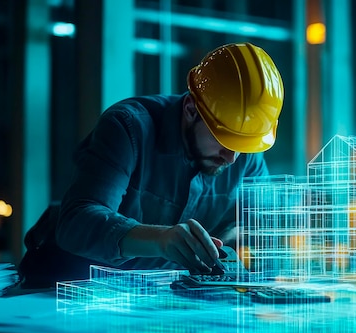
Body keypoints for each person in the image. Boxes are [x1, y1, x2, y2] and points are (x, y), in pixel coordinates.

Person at [18, 42, 284, 287]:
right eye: (223, 140)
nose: (232, 158)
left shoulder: (246, 153)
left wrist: (247, 238)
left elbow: (262, 225)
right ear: (191, 109)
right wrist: (159, 240)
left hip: (162, 298)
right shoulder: (128, 128)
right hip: (72, 287)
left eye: (243, 145)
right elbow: (78, 222)